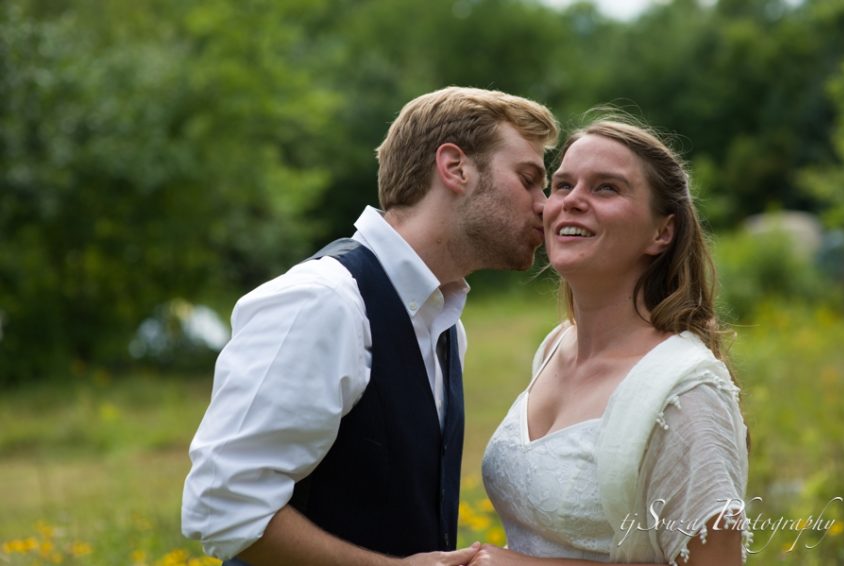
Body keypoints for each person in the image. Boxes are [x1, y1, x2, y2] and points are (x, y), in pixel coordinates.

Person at [181, 86, 560, 566]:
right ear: (455, 168)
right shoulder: (322, 302)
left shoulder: (444, 324)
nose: (545, 205)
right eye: (528, 179)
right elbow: (223, 508)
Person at [474, 115, 750, 566]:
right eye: (562, 185)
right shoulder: (554, 348)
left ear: (662, 232)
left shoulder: (686, 393)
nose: (571, 202)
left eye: (606, 188)